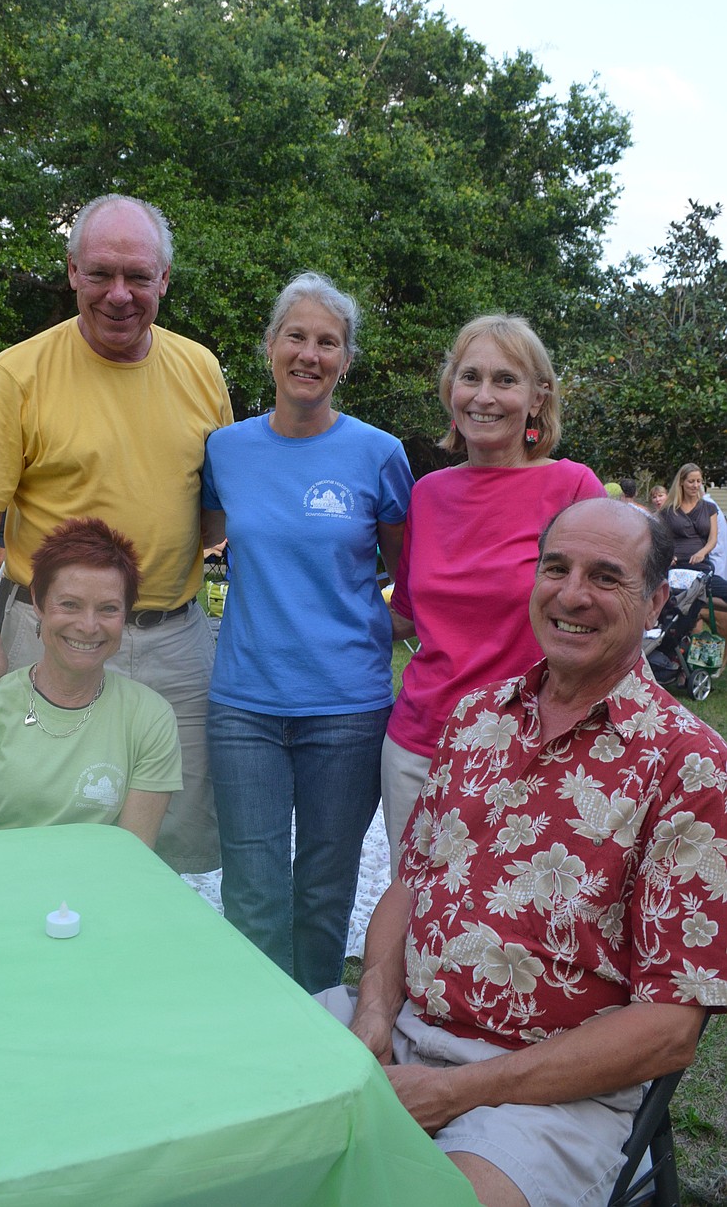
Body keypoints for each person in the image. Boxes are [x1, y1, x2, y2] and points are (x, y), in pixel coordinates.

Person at [320, 500, 727, 1207]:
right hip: (401, 1027)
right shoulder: (478, 717)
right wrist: (375, 1015)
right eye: (556, 568)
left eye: (607, 577)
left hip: (549, 1090)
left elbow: (669, 1028)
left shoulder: (689, 764)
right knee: (225, 1121)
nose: (572, 594)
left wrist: (454, 1090)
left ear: (657, 598)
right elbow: (408, 884)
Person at [0, 194, 232, 873]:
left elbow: (215, 509)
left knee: (172, 844)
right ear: (72, 271)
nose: (119, 294)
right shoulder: (18, 373)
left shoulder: (201, 369)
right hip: (47, 634)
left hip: (175, 646)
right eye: (101, 273)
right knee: (28, 821)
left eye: (138, 276)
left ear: (165, 279)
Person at [201, 272, 413, 993]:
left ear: (346, 360)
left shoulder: (379, 453)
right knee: (253, 896)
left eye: (328, 341)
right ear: (269, 347)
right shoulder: (225, 450)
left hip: (347, 709)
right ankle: (258, 1042)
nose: (310, 353)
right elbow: (205, 535)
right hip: (245, 706)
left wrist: (368, 627)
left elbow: (410, 574)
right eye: (297, 336)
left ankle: (318, 1034)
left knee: (325, 896)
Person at [382, 314, 605, 873]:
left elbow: (613, 615)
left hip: (530, 745)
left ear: (538, 398)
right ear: (450, 390)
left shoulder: (574, 489)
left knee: (511, 924)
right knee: (415, 910)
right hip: (419, 743)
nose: (484, 396)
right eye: (470, 377)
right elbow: (403, 618)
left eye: (505, 380)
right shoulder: (428, 495)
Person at [0, 518, 181, 844]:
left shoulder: (150, 718)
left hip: (96, 890)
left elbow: (133, 855)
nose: (88, 626)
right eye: (70, 604)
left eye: (108, 608)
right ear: (38, 601)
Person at [660, 462, 727, 604]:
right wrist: (669, 556)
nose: (695, 485)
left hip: (701, 568)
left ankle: (702, 608)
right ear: (682, 483)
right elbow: (661, 539)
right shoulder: (668, 511)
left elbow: (713, 538)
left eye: (698, 481)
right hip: (676, 568)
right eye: (691, 481)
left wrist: (702, 552)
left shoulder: (710, 507)